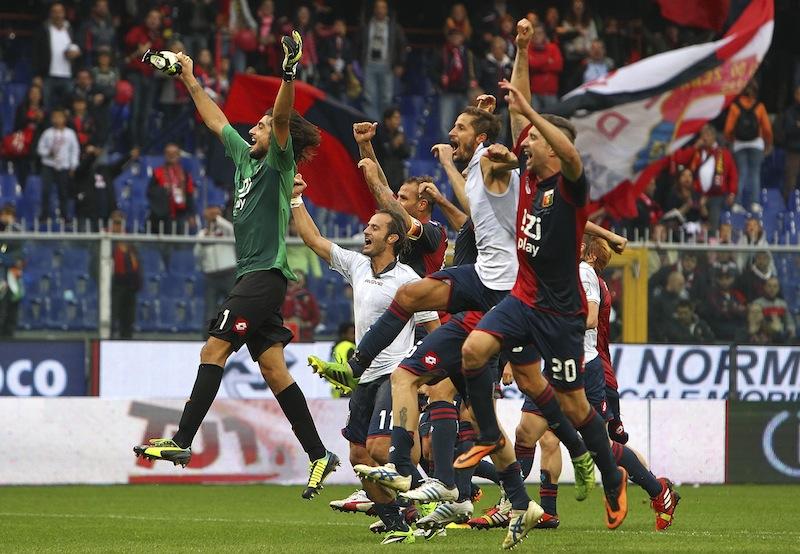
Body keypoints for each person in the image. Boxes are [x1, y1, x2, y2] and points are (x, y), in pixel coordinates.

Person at [133, 32, 339, 500]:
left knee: (213, 352)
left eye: (263, 127)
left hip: (263, 277)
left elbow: (283, 116)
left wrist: (288, 74)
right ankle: (319, 454)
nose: (255, 130)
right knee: (273, 371)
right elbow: (214, 118)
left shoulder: (278, 165)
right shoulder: (246, 160)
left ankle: (182, 441)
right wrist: (188, 76)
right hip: (254, 278)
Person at [456, 79, 629, 534]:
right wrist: (522, 46)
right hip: (522, 298)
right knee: (473, 352)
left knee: (574, 407)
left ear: (555, 146)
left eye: (533, 139)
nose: (524, 143)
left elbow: (561, 148)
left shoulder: (571, 184)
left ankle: (614, 478)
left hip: (560, 314)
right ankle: (489, 437)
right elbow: (516, 112)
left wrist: (531, 113)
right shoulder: (528, 176)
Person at [294, 171, 439, 545]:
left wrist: (438, 372)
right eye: (367, 226)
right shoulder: (357, 266)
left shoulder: (407, 279)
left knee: (379, 447)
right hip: (364, 376)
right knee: (359, 455)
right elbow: (313, 239)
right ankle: (397, 524)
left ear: (393, 238)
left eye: (374, 227)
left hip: (396, 373)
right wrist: (296, 200)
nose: (366, 231)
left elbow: (435, 328)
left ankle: (436, 496)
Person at [350, 121, 447, 278]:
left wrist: (375, 183)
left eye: (403, 198)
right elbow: (383, 186)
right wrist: (365, 144)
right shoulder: (402, 223)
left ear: (422, 204)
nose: (397, 201)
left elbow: (384, 194)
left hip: (423, 301)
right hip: (400, 297)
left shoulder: (433, 232)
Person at [671, 124, 738, 232]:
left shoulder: (724, 154)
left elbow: (733, 174)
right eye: (702, 135)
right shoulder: (697, 152)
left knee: (712, 224)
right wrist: (694, 147)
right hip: (697, 194)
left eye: (707, 135)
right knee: (694, 223)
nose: (704, 138)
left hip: (716, 195)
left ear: (713, 137)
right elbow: (680, 159)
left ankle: (711, 246)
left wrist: (732, 192)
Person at [724, 81, 772, 212]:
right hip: (756, 143)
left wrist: (731, 140)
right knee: (755, 173)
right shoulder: (759, 106)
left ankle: (737, 204)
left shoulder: (735, 107)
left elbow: (728, 129)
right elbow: (767, 128)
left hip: (739, 144)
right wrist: (768, 142)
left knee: (741, 173)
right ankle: (755, 203)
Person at [359, 0, 407, 121]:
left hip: (386, 65)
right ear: (374, 10)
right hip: (369, 64)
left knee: (386, 98)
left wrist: (400, 64)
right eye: (378, 7)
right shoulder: (367, 24)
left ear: (386, 10)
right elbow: (359, 44)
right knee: (369, 98)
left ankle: (384, 128)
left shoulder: (393, 27)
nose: (380, 10)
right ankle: (372, 126)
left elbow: (402, 45)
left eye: (383, 8)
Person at [194, 206, 237, 329]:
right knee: (210, 309)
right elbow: (197, 255)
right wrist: (203, 240)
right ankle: (207, 337)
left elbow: (233, 230)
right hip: (211, 276)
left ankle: (235, 335)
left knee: (233, 307)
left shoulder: (226, 230)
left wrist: (217, 218)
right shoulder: (202, 234)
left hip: (228, 273)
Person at [31, 2, 81, 110]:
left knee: (67, 108)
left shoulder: (70, 29)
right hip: (48, 76)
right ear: (50, 14)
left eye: (60, 12)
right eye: (55, 12)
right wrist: (37, 75)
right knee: (45, 107)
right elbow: (35, 52)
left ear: (64, 13)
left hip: (67, 75)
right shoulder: (43, 30)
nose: (58, 15)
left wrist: (76, 53)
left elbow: (77, 46)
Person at [434, 28, 477, 141]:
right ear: (449, 38)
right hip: (447, 93)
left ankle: (462, 153)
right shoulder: (442, 52)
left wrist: (473, 80)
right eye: (453, 36)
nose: (456, 39)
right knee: (445, 125)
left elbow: (475, 69)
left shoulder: (467, 54)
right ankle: (445, 152)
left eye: (458, 36)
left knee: (465, 124)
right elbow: (432, 70)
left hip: (464, 92)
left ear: (462, 38)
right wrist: (440, 79)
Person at [37, 108, 80, 222]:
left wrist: (73, 165)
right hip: (48, 165)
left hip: (64, 166)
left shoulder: (70, 134)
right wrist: (47, 153)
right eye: (54, 117)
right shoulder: (47, 133)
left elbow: (75, 150)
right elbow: (40, 148)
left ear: (64, 119)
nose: (57, 120)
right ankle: (44, 215)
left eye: (59, 117)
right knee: (46, 190)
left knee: (63, 192)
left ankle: (64, 216)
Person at [147, 143, 196, 234]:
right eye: (169, 153)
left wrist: (191, 215)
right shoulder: (157, 172)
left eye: (174, 153)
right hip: (162, 215)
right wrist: (163, 189)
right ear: (165, 155)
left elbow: (189, 195)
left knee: (179, 243)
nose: (171, 156)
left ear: (178, 155)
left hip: (180, 215)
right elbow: (150, 192)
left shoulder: (185, 175)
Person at [109, 211, 141, 339]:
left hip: (129, 285)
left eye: (120, 223)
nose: (118, 226)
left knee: (127, 321)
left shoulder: (129, 242)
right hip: (114, 285)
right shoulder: (106, 240)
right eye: (116, 223)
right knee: (112, 319)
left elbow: (137, 264)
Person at [699, 266, 747, 341]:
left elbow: (744, 312)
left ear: (732, 279)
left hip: (737, 331)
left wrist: (730, 309)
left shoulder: (737, 294)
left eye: (727, 278)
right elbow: (717, 313)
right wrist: (734, 309)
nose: (724, 282)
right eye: (721, 279)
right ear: (717, 279)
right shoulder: (711, 295)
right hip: (719, 331)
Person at [373, 107, 411, 193]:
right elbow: (382, 152)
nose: (398, 121)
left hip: (397, 176)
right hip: (382, 174)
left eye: (399, 118)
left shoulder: (400, 134)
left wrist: (400, 145)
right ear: (387, 120)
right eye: (395, 118)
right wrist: (394, 144)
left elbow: (407, 153)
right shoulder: (379, 132)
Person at [527, 24, 562, 113]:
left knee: (552, 122)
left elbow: (558, 66)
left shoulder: (553, 47)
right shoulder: (528, 49)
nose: (536, 36)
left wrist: (538, 63)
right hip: (534, 93)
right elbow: (531, 65)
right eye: (534, 34)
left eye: (539, 33)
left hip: (551, 93)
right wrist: (548, 61)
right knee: (534, 123)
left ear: (544, 35)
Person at [752, 277, 796, 343]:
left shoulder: (783, 304)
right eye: (769, 286)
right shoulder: (757, 304)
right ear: (765, 287)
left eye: (775, 286)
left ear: (778, 288)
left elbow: (789, 322)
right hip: (763, 337)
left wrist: (791, 331)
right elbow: (755, 325)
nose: (772, 289)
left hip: (781, 337)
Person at [282, 268, 321, 342]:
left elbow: (316, 318)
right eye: (292, 278)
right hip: (285, 336)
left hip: (305, 337)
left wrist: (304, 324)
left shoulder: (309, 297)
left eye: (299, 280)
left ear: (304, 282)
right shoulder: (283, 296)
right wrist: (286, 322)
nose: (294, 282)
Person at [780, 85, 800, 203]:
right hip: (793, 151)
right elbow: (788, 129)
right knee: (790, 181)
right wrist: (796, 126)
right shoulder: (790, 111)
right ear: (795, 95)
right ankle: (789, 206)